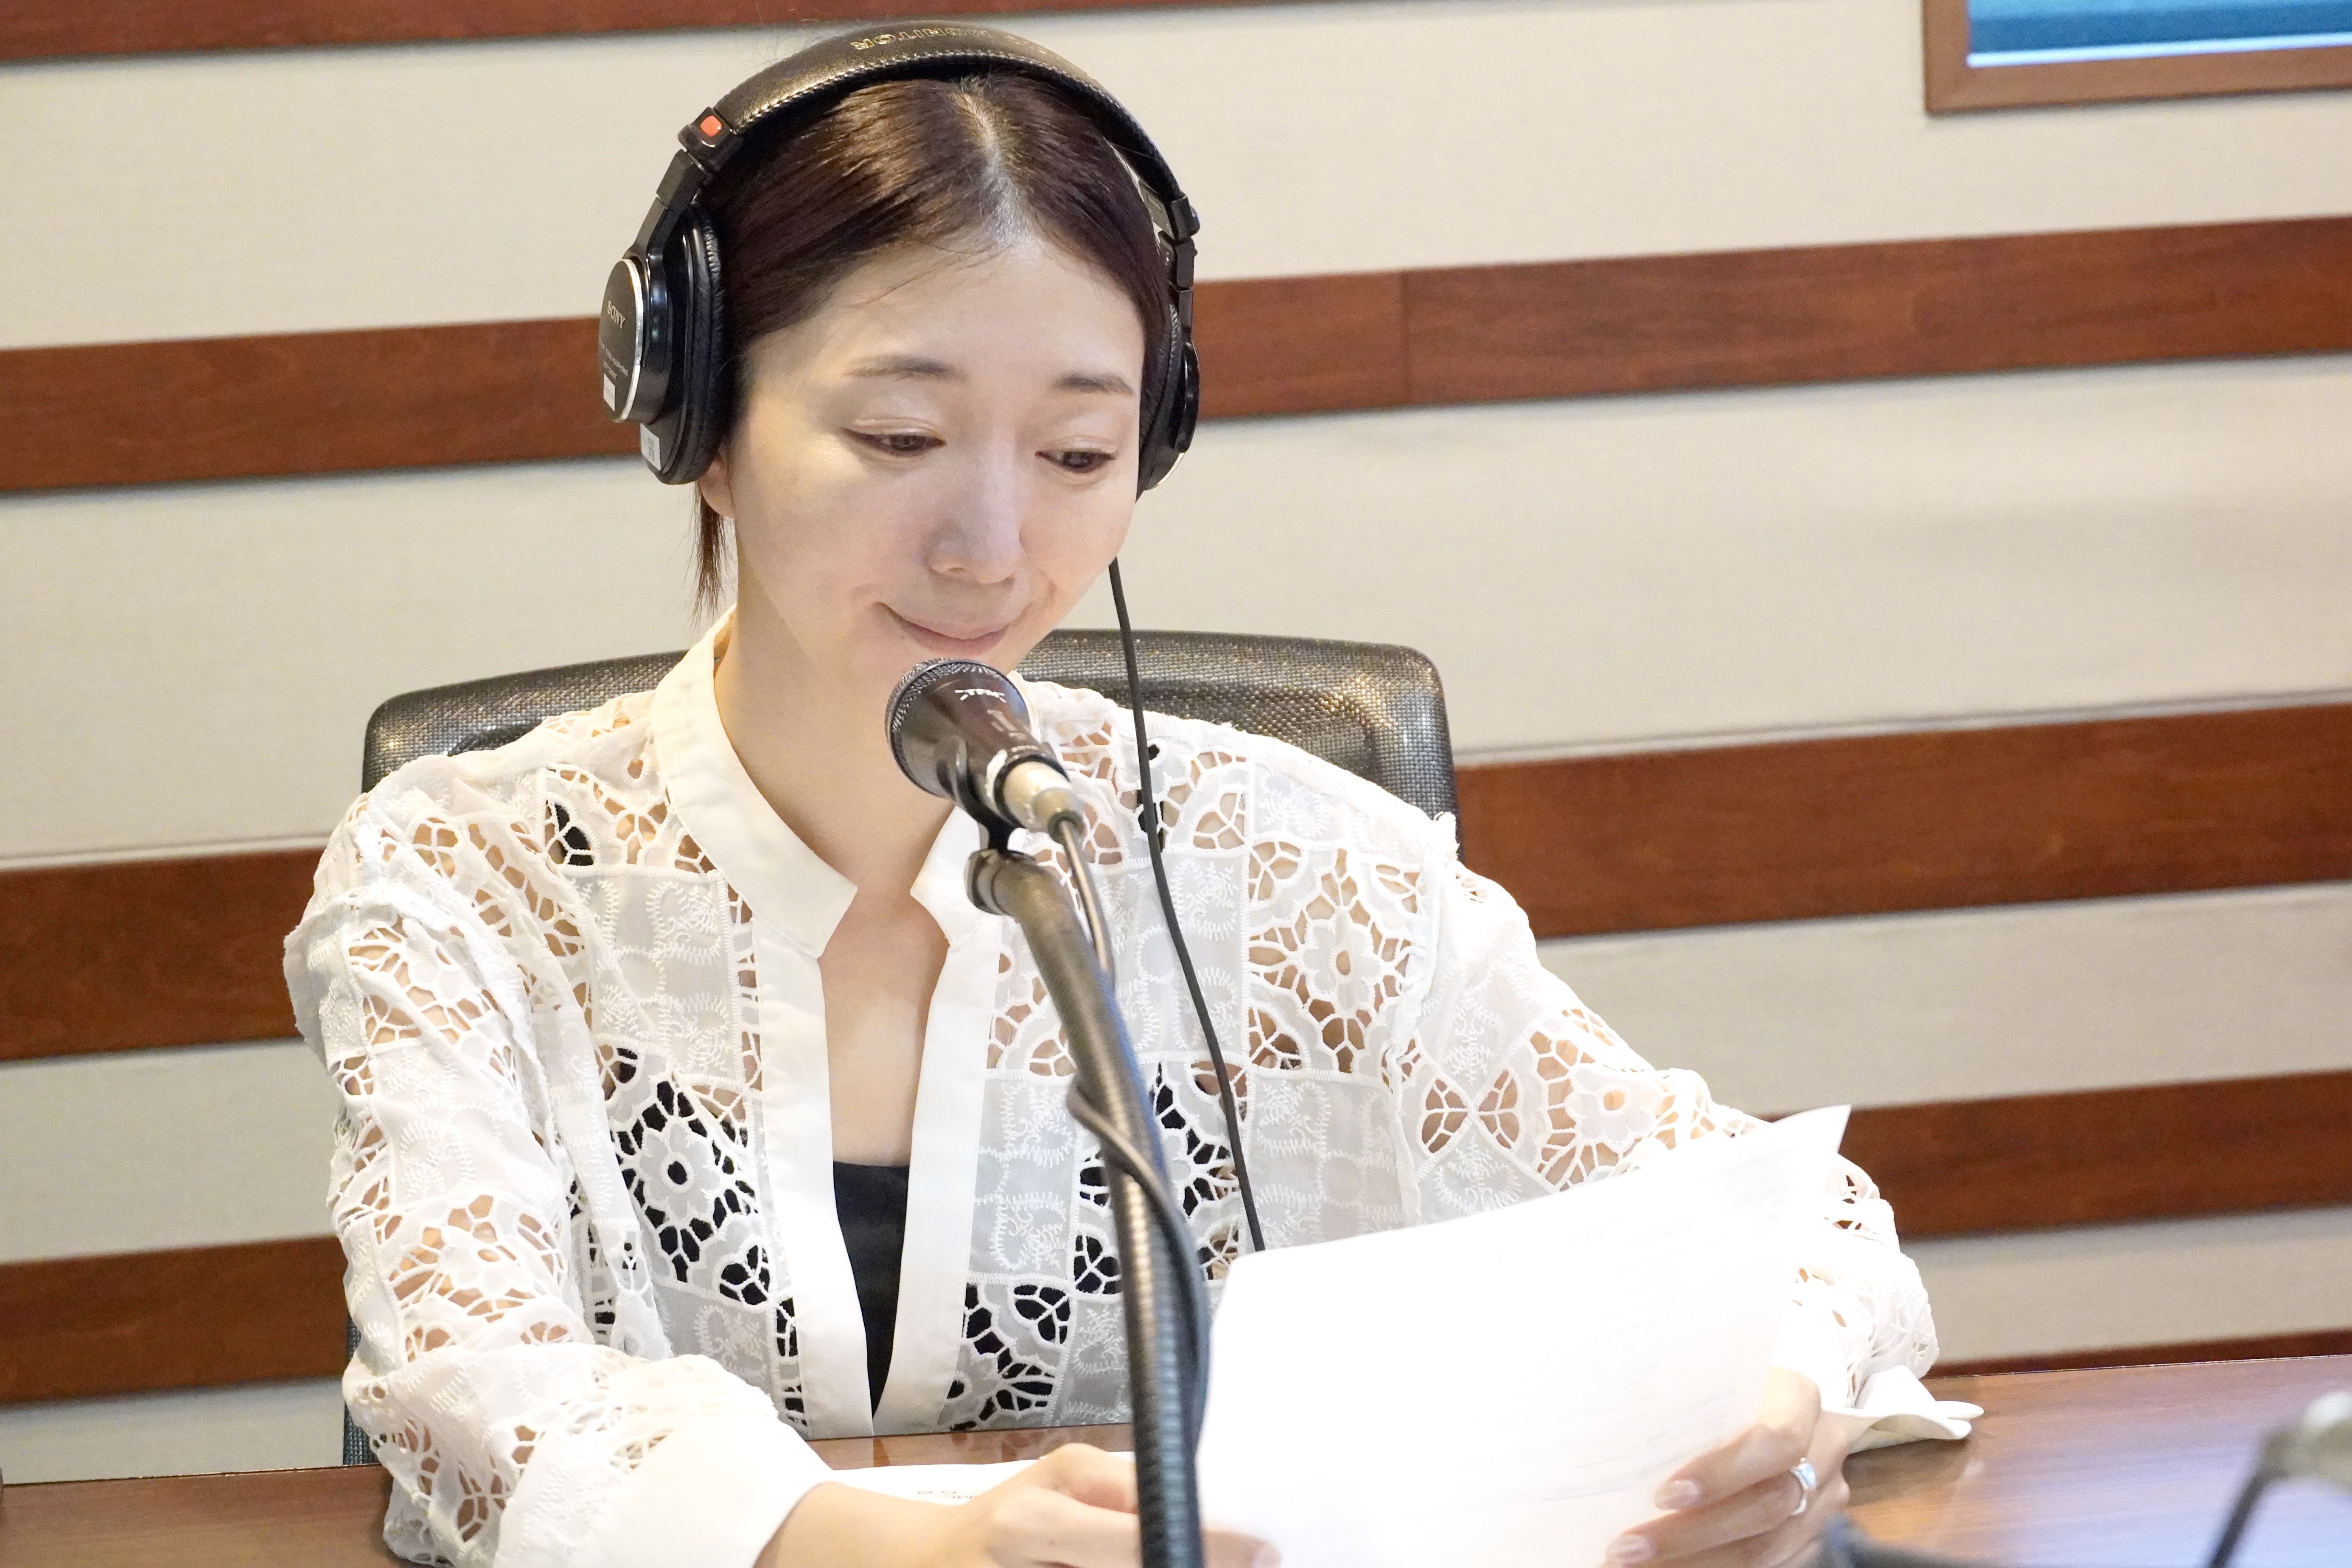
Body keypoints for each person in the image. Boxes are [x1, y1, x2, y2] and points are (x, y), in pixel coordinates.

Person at [284, 25, 1940, 1568]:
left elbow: (1799, 1227)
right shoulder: (459, 877)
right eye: (899, 435)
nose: (991, 548)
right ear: (699, 422)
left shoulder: (1295, 860)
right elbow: (470, 1389)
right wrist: (920, 1552)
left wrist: (1781, 1402)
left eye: (1078, 457)